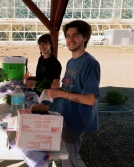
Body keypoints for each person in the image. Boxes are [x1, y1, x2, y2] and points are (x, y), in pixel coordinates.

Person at [46, 20, 101, 167]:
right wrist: (55, 91)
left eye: (75, 35)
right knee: (62, 156)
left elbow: (90, 99)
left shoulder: (89, 63)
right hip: (65, 116)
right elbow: (68, 87)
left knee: (68, 160)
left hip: (76, 120)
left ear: (86, 37)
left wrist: (61, 94)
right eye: (68, 36)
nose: (70, 39)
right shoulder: (71, 61)